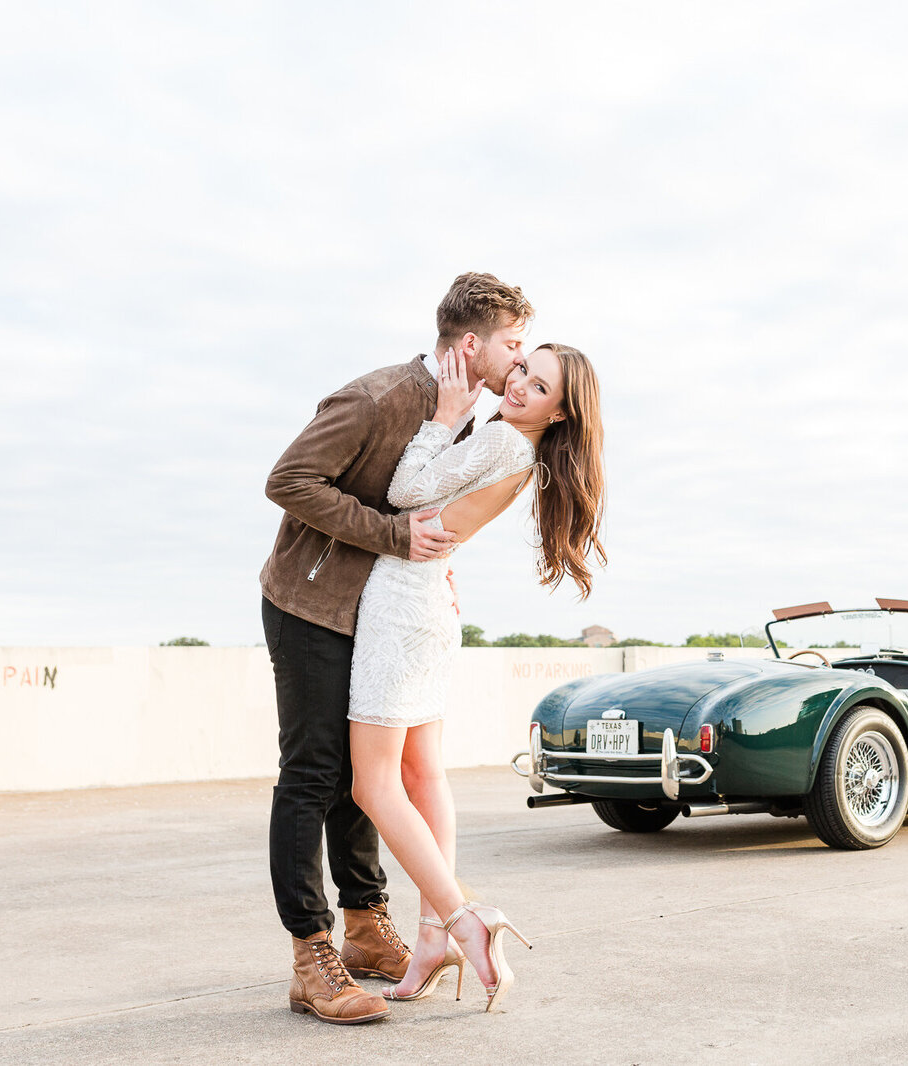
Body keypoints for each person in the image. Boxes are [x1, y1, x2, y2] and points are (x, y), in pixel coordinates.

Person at [259, 272, 533, 1025]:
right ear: (471, 344)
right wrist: (392, 537)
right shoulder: (379, 397)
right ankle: (310, 952)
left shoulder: (472, 415)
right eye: (513, 344)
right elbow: (288, 479)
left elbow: (439, 506)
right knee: (313, 774)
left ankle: (365, 925)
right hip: (309, 604)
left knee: (359, 773)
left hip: (372, 614)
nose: (520, 358)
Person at [347, 341, 605, 1011]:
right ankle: (433, 934)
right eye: (523, 369)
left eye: (539, 385)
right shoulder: (519, 456)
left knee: (373, 784)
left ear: (559, 413)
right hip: (429, 602)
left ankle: (463, 917)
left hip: (402, 603)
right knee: (421, 774)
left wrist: (446, 414)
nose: (519, 385)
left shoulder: (501, 445)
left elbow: (404, 492)